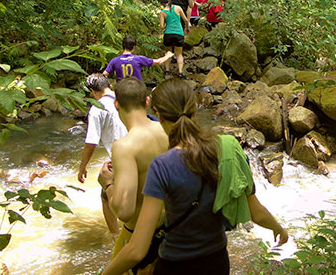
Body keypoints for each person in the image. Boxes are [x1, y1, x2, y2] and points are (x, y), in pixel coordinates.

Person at [101, 78, 288, 275]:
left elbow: (137, 250)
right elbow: (256, 212)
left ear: (159, 116)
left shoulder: (162, 166)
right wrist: (279, 229)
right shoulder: (225, 149)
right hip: (217, 262)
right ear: (195, 110)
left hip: (175, 266)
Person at [98, 77, 169, 273]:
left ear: (116, 104)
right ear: (147, 101)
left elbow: (124, 210)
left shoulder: (125, 147)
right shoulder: (167, 131)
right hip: (172, 234)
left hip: (139, 238)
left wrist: (108, 184)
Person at [78, 73, 128, 234]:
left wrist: (82, 167)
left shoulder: (97, 109)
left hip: (120, 157)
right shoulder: (125, 99)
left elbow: (91, 142)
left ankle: (115, 236)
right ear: (109, 85)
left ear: (92, 91)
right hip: (139, 150)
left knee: (106, 196)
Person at [104, 35, 174, 82]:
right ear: (134, 47)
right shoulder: (138, 59)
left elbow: (104, 75)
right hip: (136, 90)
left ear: (123, 46)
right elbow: (158, 62)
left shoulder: (115, 61)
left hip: (121, 91)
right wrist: (167, 56)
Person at [159, 0, 189, 79]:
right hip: (179, 33)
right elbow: (186, 20)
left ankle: (167, 70)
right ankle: (180, 72)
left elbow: (161, 26)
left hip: (168, 33)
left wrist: (166, 26)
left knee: (168, 52)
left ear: (161, 3)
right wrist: (187, 28)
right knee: (179, 54)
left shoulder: (162, 12)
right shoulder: (178, 8)